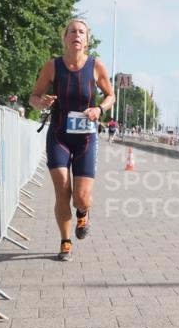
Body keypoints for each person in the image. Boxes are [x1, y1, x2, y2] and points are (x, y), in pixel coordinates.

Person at [29, 18, 115, 261]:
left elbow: (111, 96)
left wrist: (99, 109)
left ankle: (83, 213)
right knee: (62, 191)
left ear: (87, 40)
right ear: (65, 38)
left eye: (82, 32)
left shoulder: (96, 66)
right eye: (72, 31)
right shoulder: (52, 66)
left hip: (86, 138)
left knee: (81, 198)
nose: (77, 35)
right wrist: (41, 102)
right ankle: (65, 241)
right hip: (59, 136)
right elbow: (33, 97)